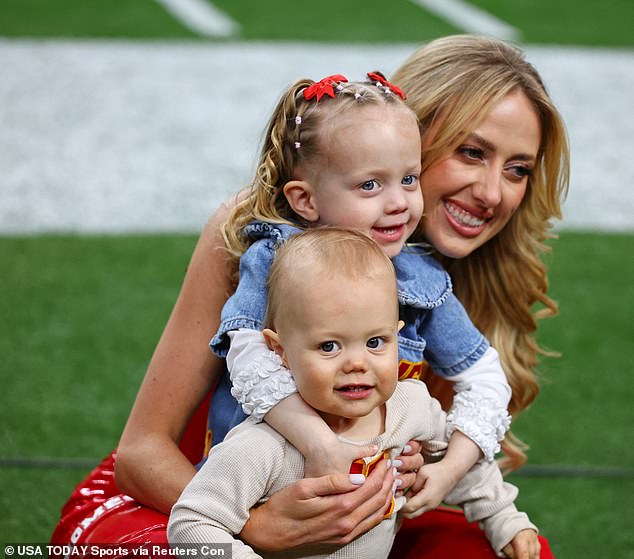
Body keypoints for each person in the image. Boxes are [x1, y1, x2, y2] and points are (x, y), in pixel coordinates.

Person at [51, 34, 568, 559]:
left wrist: (422, 471)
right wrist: (255, 526)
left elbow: (428, 447)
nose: (491, 192)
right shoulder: (258, 234)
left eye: (518, 169)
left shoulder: (453, 277)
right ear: (412, 135)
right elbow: (140, 455)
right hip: (191, 497)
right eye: (471, 152)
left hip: (347, 518)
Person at [207, 70, 511, 517]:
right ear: (305, 200)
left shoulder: (417, 280)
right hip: (257, 499)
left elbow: (486, 377)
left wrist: (446, 472)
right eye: (370, 184)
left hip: (363, 506)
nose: (398, 202)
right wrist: (319, 444)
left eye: (409, 179)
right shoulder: (275, 257)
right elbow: (248, 355)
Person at [168, 227, 540, 559]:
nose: (357, 363)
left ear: (397, 335)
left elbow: (466, 464)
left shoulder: (410, 407)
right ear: (279, 351)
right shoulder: (262, 445)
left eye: (376, 342)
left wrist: (503, 518)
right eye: (329, 347)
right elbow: (190, 523)